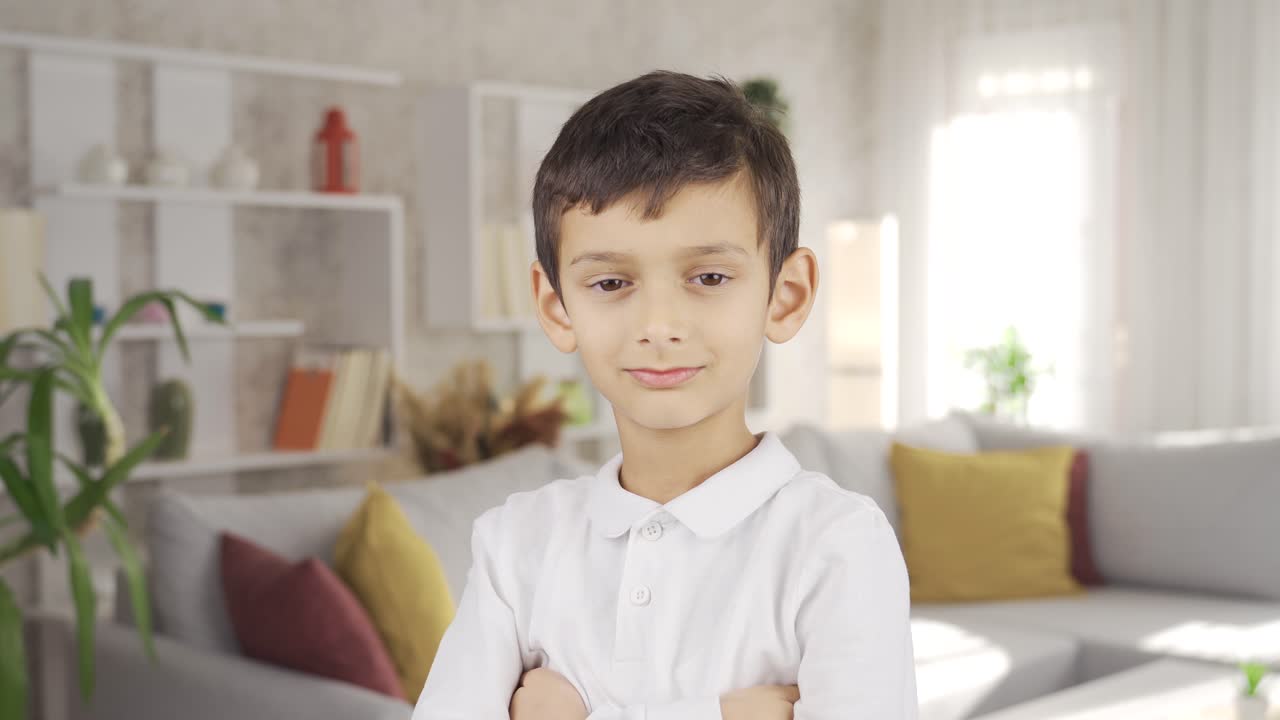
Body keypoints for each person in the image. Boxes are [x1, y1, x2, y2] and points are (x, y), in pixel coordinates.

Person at [412, 70, 918, 720]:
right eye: (610, 283)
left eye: (708, 276)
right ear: (556, 306)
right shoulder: (516, 545)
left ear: (785, 296)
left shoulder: (837, 546)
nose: (658, 326)